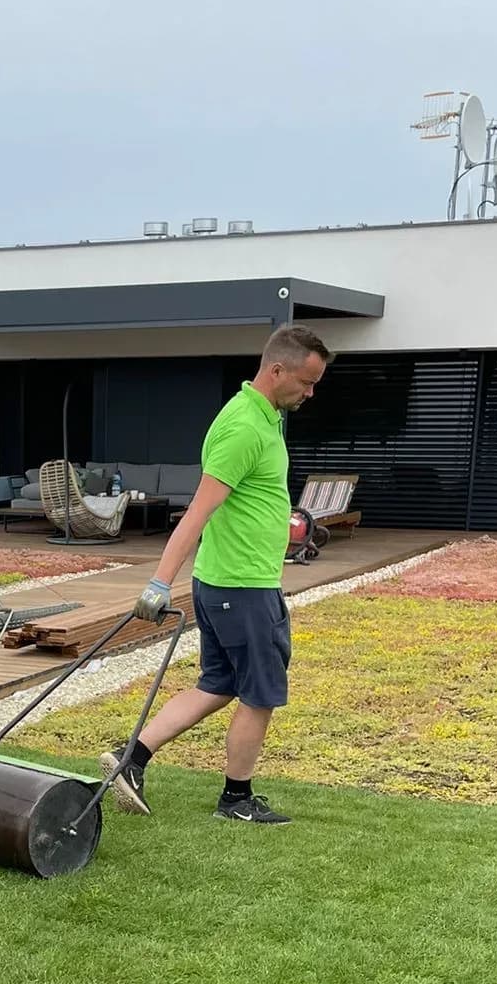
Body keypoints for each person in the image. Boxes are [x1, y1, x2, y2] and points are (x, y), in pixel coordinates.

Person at [103, 326, 331, 825]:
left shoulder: (262, 417)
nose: (310, 393)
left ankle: (131, 760)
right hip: (241, 587)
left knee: (219, 683)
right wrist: (159, 583)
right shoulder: (244, 427)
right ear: (277, 371)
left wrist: (280, 524)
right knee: (261, 693)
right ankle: (237, 798)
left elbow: (250, 497)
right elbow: (197, 513)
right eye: (306, 382)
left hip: (232, 580)